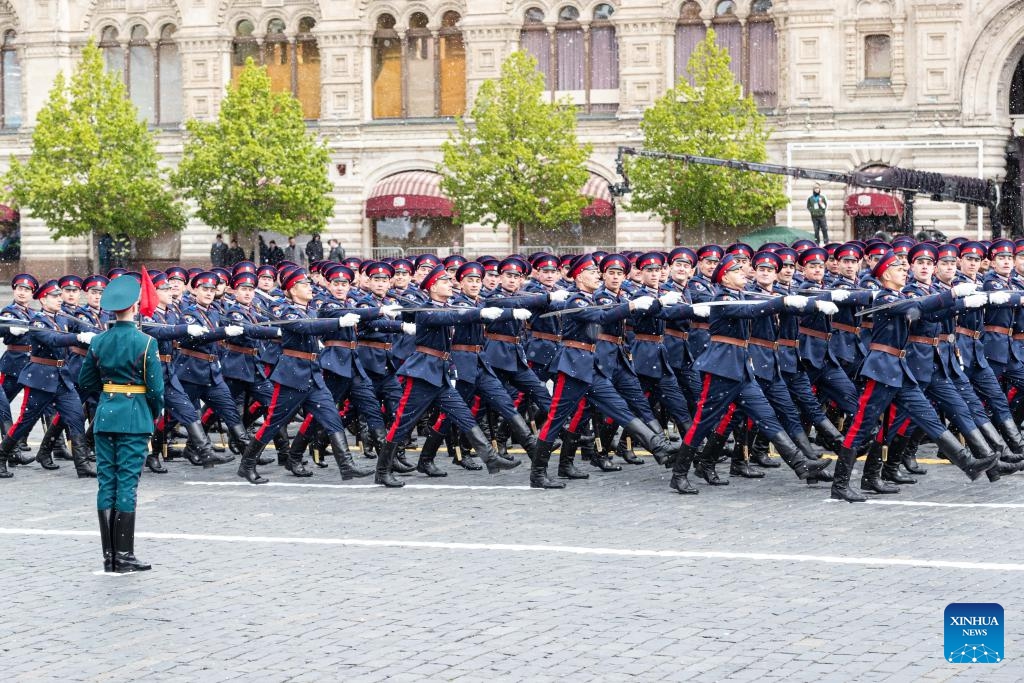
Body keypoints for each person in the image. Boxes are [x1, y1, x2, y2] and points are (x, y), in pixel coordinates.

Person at [77, 275, 164, 573]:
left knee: (107, 482)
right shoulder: (146, 341)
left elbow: (85, 381)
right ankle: (124, 555)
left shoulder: (100, 340)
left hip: (105, 416)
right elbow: (156, 390)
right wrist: (152, 413)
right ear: (135, 307)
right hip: (134, 418)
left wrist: (109, 391)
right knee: (127, 483)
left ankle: (109, 556)